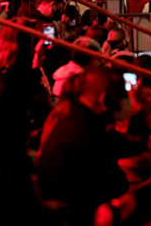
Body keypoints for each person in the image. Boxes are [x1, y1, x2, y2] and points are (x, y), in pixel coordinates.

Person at [37, 67, 130, 224]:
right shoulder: (86, 131)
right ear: (104, 98)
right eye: (121, 94)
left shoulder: (75, 121)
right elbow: (114, 184)